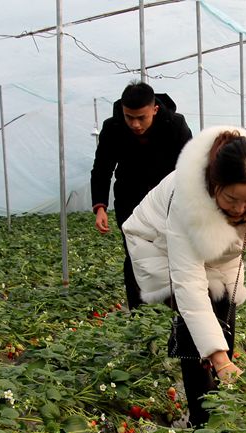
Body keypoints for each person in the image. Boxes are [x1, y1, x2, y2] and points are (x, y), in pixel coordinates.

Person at [122, 127, 246, 427]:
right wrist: (218, 357)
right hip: (158, 246)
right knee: (195, 324)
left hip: (218, 254)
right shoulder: (186, 203)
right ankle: (201, 421)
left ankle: (218, 397)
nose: (240, 209)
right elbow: (189, 286)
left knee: (224, 311)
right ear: (214, 186)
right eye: (231, 199)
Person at [91, 82, 192, 310]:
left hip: (167, 200)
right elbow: (102, 168)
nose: (135, 124)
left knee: (172, 251)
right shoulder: (113, 127)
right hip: (130, 199)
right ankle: (138, 311)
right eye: (129, 117)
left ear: (154, 109)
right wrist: (100, 207)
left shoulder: (175, 125)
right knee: (135, 253)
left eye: (141, 118)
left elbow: (190, 167)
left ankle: (176, 307)